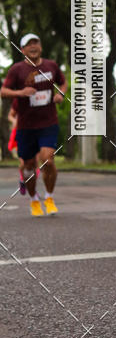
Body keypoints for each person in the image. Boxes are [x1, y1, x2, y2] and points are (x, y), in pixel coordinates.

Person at [1, 34, 67, 216]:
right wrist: (21, 92)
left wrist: (60, 94)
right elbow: (3, 91)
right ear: (22, 50)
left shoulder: (51, 66)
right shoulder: (17, 70)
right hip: (25, 126)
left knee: (48, 158)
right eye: (29, 44)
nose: (33, 46)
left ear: (41, 47)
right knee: (29, 166)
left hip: (48, 122)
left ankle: (49, 197)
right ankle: (34, 200)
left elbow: (63, 82)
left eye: (36, 43)